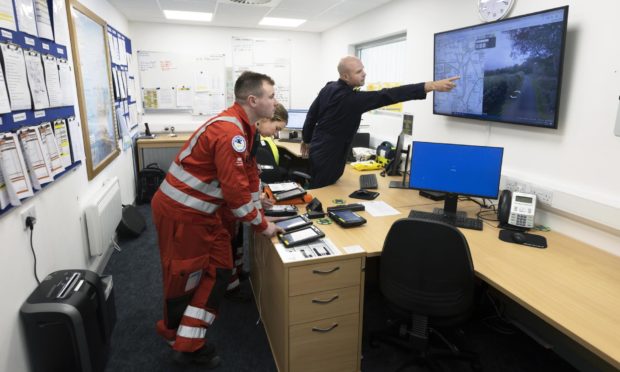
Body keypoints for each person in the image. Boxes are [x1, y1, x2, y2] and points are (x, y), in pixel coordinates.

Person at [151, 71, 284, 367]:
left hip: (203, 212)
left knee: (221, 269)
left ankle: (189, 336)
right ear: (253, 100)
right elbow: (235, 194)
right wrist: (263, 225)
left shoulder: (243, 127)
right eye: (272, 96)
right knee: (183, 278)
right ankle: (181, 341)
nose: (276, 102)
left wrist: (258, 202)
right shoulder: (230, 133)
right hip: (181, 214)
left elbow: (247, 175)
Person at [301, 55, 460, 189]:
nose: (364, 73)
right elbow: (388, 95)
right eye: (359, 72)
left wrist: (306, 139)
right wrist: (430, 86)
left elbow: (312, 114)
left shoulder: (329, 88)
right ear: (345, 77)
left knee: (325, 188)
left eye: (363, 69)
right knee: (323, 193)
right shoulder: (350, 99)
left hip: (319, 148)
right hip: (329, 156)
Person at [223, 103, 288, 300]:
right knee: (225, 245)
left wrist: (258, 201)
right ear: (265, 118)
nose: (276, 135)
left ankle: (237, 275)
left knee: (235, 239)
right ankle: (230, 288)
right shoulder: (237, 134)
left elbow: (251, 173)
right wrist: (260, 221)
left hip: (228, 202)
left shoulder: (253, 135)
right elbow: (236, 184)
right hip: (216, 203)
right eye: (277, 129)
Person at [255, 103, 289, 183]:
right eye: (277, 128)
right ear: (267, 118)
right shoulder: (245, 135)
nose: (275, 134)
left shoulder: (255, 135)